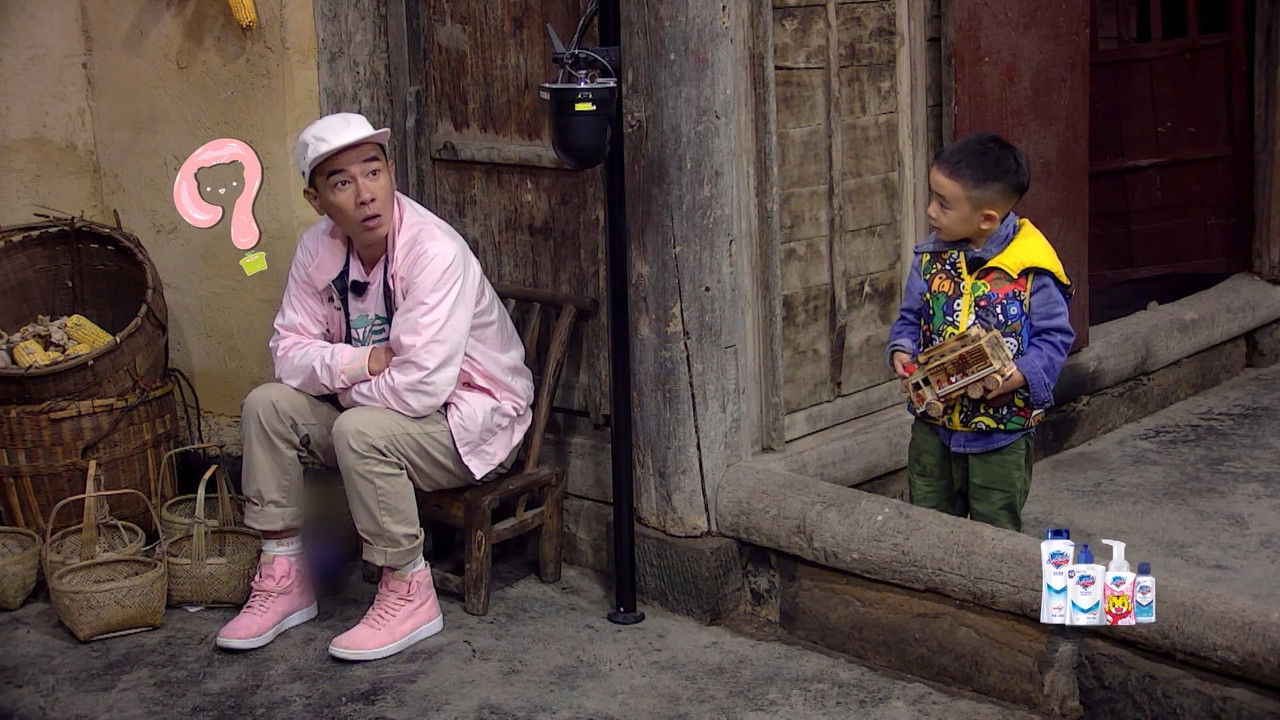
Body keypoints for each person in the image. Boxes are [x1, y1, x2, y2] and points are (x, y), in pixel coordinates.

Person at [215, 112, 534, 661]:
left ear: (391, 173)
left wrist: (340, 386)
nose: (365, 194)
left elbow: (421, 390)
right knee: (267, 404)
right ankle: (284, 574)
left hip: (471, 423)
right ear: (317, 200)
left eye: (373, 172)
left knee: (359, 430)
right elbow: (287, 356)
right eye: (342, 182)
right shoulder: (317, 248)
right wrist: (364, 360)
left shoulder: (433, 251)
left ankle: (408, 587)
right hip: (381, 412)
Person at [886, 133, 1075, 532]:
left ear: (987, 218)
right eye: (932, 197)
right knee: (929, 525)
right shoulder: (930, 259)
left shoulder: (1032, 268)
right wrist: (902, 350)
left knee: (995, 532)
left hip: (1001, 433)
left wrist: (1018, 376)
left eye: (943, 204)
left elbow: (1055, 339)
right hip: (934, 428)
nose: (930, 210)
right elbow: (909, 318)